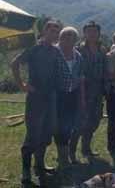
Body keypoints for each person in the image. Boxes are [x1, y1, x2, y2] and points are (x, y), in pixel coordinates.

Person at [11, 20, 61, 187]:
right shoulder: (34, 49)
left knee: (47, 132)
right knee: (33, 134)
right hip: (36, 98)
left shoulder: (56, 51)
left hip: (51, 98)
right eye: (52, 31)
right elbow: (15, 63)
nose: (55, 34)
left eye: (57, 31)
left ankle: (39, 165)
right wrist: (22, 85)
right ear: (45, 31)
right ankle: (26, 171)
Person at [70, 21, 106, 161]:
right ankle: (71, 153)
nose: (92, 34)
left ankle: (86, 148)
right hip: (82, 92)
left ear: (98, 33)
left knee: (94, 121)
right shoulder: (78, 50)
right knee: (79, 123)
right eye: (89, 31)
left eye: (95, 31)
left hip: (98, 92)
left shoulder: (102, 50)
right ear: (84, 33)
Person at [54, 27, 85, 168]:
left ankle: (64, 157)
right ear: (60, 38)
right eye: (65, 36)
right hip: (55, 95)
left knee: (69, 125)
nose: (68, 39)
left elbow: (80, 78)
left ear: (75, 40)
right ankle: (63, 159)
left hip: (72, 95)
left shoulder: (77, 56)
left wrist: (82, 98)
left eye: (72, 37)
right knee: (59, 127)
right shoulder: (53, 52)